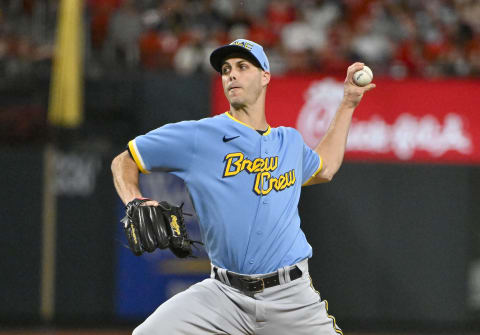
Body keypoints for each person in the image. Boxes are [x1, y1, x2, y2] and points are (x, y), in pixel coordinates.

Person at [111, 38, 375, 334]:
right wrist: (134, 199)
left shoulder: (288, 141)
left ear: (265, 76)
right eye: (226, 70)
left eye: (242, 66)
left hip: (290, 298)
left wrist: (348, 102)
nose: (231, 74)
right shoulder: (200, 136)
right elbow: (124, 160)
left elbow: (325, 168)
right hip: (223, 295)